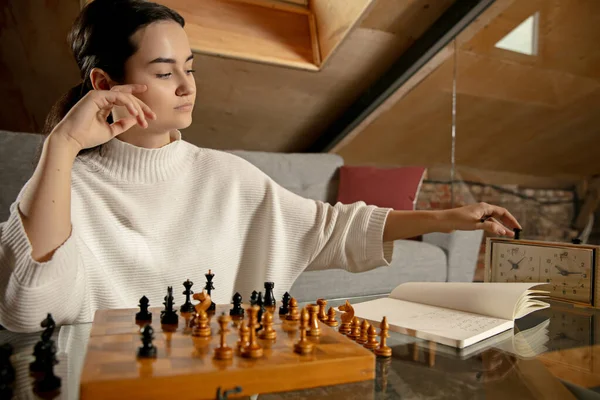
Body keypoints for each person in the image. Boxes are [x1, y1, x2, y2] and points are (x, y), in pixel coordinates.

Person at [0, 0, 520, 333]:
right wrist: (63, 144)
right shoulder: (68, 187)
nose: (187, 86)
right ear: (103, 85)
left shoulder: (225, 175)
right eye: (164, 72)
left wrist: (446, 217)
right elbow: (26, 305)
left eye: (190, 67)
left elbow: (329, 227)